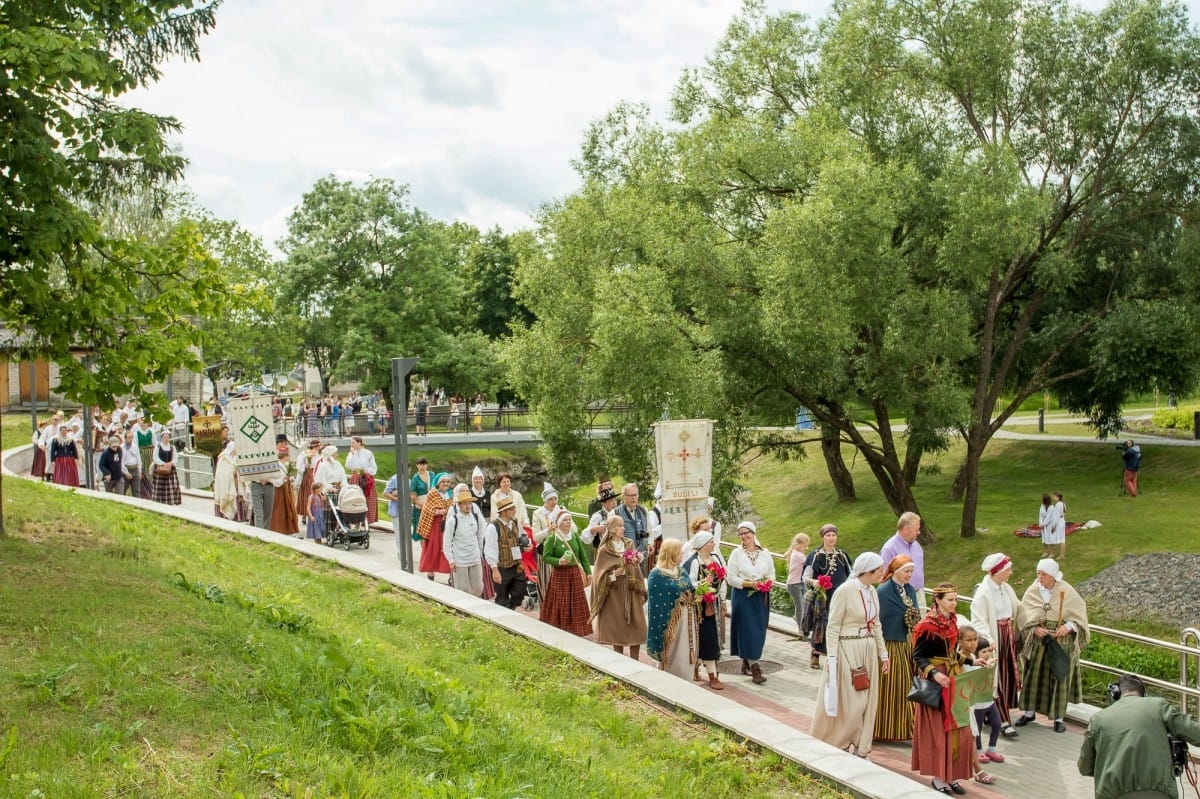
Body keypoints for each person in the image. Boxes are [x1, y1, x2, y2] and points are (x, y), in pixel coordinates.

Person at [811, 552, 889, 758]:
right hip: (847, 648)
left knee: (867, 701)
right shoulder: (845, 591)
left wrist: (883, 654)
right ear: (867, 571)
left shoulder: (872, 591)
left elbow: (876, 623)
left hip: (868, 650)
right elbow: (833, 626)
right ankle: (841, 742)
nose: (882, 573)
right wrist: (832, 658)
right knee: (852, 702)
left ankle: (860, 744)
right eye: (879, 570)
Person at [1078, 674, 1200, 799]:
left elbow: (1084, 767)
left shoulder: (1098, 719)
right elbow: (1195, 733)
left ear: (1115, 693)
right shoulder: (1158, 706)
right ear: (1143, 695)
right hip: (1159, 794)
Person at [912, 582, 976, 794]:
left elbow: (952, 654)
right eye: (950, 600)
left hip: (953, 678)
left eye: (956, 599)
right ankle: (939, 776)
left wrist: (973, 662)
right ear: (937, 600)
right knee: (939, 731)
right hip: (937, 681)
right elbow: (918, 656)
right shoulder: (927, 626)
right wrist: (934, 673)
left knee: (958, 728)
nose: (954, 603)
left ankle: (953, 775)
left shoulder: (952, 622)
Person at [1014, 558, 1089, 733]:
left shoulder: (1066, 591)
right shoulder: (1033, 591)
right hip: (1039, 641)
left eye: (1043, 574)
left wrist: (1068, 627)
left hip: (1060, 641)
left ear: (1053, 576)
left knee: (1059, 676)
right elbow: (1023, 615)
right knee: (1034, 676)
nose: (1040, 577)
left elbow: (1079, 615)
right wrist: (1034, 630)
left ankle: (1059, 718)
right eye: (1038, 573)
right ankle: (1029, 712)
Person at [970, 553, 1022, 737]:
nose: (1010, 573)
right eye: (1008, 570)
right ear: (998, 571)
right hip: (995, 638)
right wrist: (989, 638)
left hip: (1007, 635)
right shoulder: (983, 593)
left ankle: (995, 713)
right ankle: (1002, 719)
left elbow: (1019, 607)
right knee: (997, 679)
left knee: (1007, 675)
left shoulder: (1005, 588)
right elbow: (978, 620)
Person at [874, 554, 920, 742]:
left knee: (907, 685)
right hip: (889, 644)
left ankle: (905, 728)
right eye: (906, 571)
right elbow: (878, 619)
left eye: (911, 571)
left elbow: (915, 615)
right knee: (893, 686)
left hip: (907, 643)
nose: (909, 575)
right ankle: (882, 727)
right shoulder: (884, 592)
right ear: (896, 571)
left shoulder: (909, 590)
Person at [589, 515, 648, 659]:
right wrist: (615, 574)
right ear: (613, 529)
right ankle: (619, 658)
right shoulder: (604, 550)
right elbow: (599, 576)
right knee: (618, 627)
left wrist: (636, 561)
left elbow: (635, 568)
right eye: (620, 526)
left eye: (623, 525)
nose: (623, 528)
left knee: (637, 626)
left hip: (631, 590)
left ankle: (635, 659)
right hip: (615, 594)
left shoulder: (629, 543)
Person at [646, 539, 702, 683]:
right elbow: (657, 604)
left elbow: (689, 588)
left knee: (685, 652)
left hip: (687, 619)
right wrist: (680, 599)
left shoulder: (681, 570)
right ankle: (670, 679)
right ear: (670, 553)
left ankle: (686, 679)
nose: (682, 555)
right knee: (673, 651)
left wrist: (697, 593)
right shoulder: (656, 575)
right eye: (678, 552)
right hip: (670, 621)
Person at [727, 521, 775, 685]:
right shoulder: (736, 554)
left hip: (760, 596)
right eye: (741, 534)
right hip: (743, 595)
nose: (744, 536)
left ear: (753, 533)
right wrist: (749, 584)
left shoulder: (765, 553)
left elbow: (771, 573)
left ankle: (746, 661)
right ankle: (755, 667)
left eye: (747, 532)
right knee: (747, 629)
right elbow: (731, 577)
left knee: (759, 629)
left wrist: (766, 583)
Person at [803, 523, 853, 670]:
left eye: (833, 535)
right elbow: (806, 577)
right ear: (823, 537)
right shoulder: (815, 555)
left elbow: (851, 575)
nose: (831, 538)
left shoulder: (842, 555)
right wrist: (816, 583)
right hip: (823, 596)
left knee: (839, 624)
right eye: (828, 535)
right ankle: (815, 653)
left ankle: (836, 655)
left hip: (840, 595)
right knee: (821, 624)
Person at [958, 626, 1002, 782]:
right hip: (960, 703)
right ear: (960, 641)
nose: (973, 643)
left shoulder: (976, 658)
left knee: (972, 736)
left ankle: (976, 770)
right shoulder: (959, 659)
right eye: (968, 640)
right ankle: (974, 770)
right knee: (966, 737)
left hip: (970, 702)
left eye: (975, 639)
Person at [539, 508, 592, 637]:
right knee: (561, 601)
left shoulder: (574, 536)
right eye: (565, 520)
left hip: (574, 573)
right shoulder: (553, 539)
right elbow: (546, 557)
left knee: (577, 602)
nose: (568, 522)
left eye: (569, 519)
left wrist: (588, 572)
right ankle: (560, 628)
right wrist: (559, 561)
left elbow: (582, 556)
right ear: (559, 522)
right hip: (559, 574)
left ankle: (578, 629)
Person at [684, 524, 728, 664]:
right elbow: (689, 583)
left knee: (714, 634)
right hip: (700, 604)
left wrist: (722, 600)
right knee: (703, 634)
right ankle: (701, 663)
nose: (714, 544)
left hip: (713, 602)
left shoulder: (715, 558)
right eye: (711, 542)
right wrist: (703, 584)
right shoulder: (695, 562)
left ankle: (711, 662)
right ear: (703, 545)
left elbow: (722, 580)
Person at [483, 496, 530, 610]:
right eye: (512, 509)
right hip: (502, 568)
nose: (514, 510)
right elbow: (489, 550)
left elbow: (522, 536)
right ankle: (503, 618)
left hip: (516, 565)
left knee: (519, 592)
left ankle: (511, 609)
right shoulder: (493, 527)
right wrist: (494, 570)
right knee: (502, 598)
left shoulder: (514, 522)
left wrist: (527, 545)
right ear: (503, 512)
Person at [445, 485, 487, 597]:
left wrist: (482, 554)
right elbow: (447, 543)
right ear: (459, 505)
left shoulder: (476, 517)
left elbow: (480, 537)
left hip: (474, 557)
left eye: (469, 503)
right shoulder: (453, 521)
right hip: (460, 560)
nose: (468, 506)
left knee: (478, 587)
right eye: (465, 504)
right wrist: (451, 560)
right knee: (462, 589)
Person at [880, 511, 925, 602]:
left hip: (919, 594)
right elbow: (885, 578)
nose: (919, 532)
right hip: (900, 598)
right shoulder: (889, 549)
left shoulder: (917, 546)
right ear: (906, 529)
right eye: (917, 529)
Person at [416, 472, 454, 579]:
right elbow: (426, 509)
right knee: (434, 548)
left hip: (447, 525)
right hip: (435, 525)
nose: (445, 484)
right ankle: (431, 573)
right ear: (438, 483)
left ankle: (450, 573)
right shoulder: (432, 494)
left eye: (447, 482)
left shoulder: (450, 494)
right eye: (443, 481)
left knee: (448, 548)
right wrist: (438, 512)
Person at [344, 436, 378, 524]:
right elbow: (348, 465)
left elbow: (373, 467)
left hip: (366, 477)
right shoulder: (352, 453)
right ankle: (357, 521)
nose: (351, 445)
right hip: (355, 477)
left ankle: (367, 520)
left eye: (353, 443)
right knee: (356, 498)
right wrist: (351, 454)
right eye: (351, 443)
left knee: (368, 498)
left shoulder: (368, 453)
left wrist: (367, 471)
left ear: (359, 443)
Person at [784, 532, 811, 637]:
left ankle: (797, 617)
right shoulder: (797, 555)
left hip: (800, 582)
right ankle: (800, 629)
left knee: (807, 601)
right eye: (805, 546)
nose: (806, 548)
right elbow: (809, 562)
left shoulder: (797, 553)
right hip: (793, 585)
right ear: (798, 545)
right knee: (800, 606)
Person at [268, 451, 300, 535]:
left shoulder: (285, 465)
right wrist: (284, 478)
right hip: (280, 490)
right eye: (288, 455)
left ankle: (287, 528)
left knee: (287, 508)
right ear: (285, 456)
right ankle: (278, 528)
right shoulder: (278, 466)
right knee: (280, 509)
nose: (289, 457)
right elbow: (276, 480)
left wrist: (289, 478)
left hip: (285, 488)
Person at [294, 439, 321, 522]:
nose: (318, 448)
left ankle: (314, 513)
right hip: (307, 476)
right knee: (307, 494)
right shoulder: (304, 453)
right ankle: (305, 514)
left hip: (315, 474)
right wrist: (305, 466)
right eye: (318, 446)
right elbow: (298, 466)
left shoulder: (317, 455)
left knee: (315, 494)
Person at [151, 431, 182, 505]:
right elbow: (155, 458)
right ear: (161, 438)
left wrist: (171, 463)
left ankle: (170, 501)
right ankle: (159, 501)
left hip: (170, 469)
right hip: (160, 469)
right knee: (159, 487)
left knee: (170, 486)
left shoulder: (172, 447)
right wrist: (164, 464)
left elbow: (176, 458)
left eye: (167, 437)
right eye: (164, 437)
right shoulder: (158, 447)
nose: (166, 439)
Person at [409, 457, 433, 541]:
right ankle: (424, 552)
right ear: (417, 465)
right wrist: (421, 504)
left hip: (432, 506)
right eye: (420, 464)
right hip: (420, 507)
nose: (422, 466)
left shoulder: (431, 475)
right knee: (421, 532)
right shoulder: (415, 478)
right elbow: (412, 495)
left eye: (424, 464)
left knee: (431, 530)